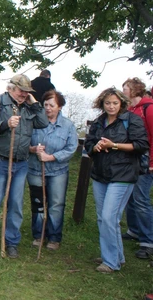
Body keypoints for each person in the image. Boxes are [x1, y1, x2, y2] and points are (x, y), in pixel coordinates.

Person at [0, 74, 49, 258]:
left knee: (16, 204)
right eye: (21, 90)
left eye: (27, 92)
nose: (24, 94)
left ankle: (12, 242)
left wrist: (34, 102)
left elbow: (43, 122)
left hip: (20, 162)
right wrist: (5, 124)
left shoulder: (28, 106)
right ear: (11, 87)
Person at [84, 87, 149, 273]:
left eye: (114, 103)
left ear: (121, 103)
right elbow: (88, 144)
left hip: (123, 174)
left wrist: (114, 145)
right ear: (102, 104)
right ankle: (115, 256)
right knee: (103, 218)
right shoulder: (99, 122)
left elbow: (141, 145)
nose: (111, 106)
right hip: (100, 174)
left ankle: (110, 262)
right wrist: (95, 147)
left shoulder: (132, 120)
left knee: (109, 217)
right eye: (107, 103)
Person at [27, 90, 78, 251]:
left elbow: (71, 148)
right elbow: (23, 142)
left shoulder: (68, 125)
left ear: (60, 107)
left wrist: (51, 157)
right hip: (35, 169)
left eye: (52, 105)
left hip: (58, 171)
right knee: (38, 203)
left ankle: (54, 237)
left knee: (56, 204)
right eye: (45, 105)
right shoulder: (34, 122)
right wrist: (33, 149)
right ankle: (38, 235)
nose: (48, 108)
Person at [122, 78, 153, 259]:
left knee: (141, 199)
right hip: (132, 159)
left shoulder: (148, 108)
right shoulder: (131, 109)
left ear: (134, 90)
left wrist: (151, 162)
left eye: (125, 88)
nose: (123, 90)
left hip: (146, 161)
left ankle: (148, 241)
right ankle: (134, 230)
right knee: (130, 197)